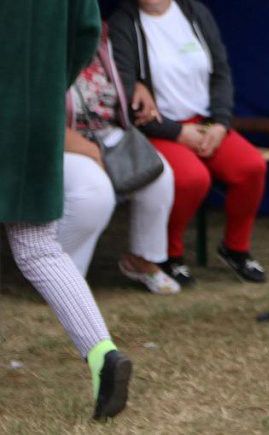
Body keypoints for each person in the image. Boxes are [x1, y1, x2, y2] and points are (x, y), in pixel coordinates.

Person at [0, 0, 132, 419]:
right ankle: (102, 351)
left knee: (34, 248)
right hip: (32, 118)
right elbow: (86, 31)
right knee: (37, 247)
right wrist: (43, 87)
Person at [108, 0, 268, 286]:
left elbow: (221, 73)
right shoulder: (125, 23)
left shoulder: (195, 12)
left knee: (251, 167)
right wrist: (176, 132)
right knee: (192, 179)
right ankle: (170, 255)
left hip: (206, 123)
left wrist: (222, 125)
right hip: (158, 129)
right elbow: (124, 95)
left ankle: (236, 248)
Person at [59, 26, 180, 294]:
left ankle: (142, 259)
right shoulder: (34, 46)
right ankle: (61, 277)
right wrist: (89, 151)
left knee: (158, 176)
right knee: (96, 192)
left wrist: (138, 85)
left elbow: (126, 76)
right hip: (55, 138)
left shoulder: (101, 43)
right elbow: (31, 113)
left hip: (106, 132)